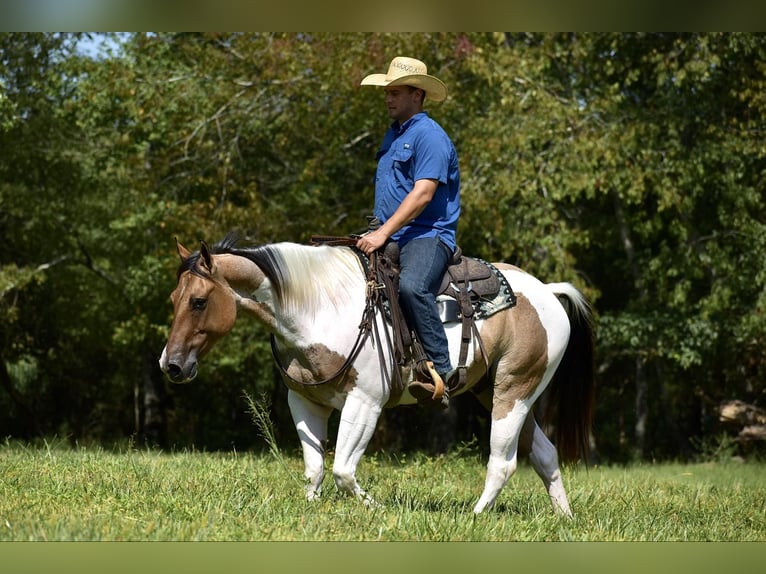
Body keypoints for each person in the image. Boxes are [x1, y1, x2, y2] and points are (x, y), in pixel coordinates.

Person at [356, 56, 460, 407]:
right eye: (386, 92)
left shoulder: (430, 136)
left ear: (417, 94)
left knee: (413, 287)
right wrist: (376, 229)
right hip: (388, 231)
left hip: (427, 235)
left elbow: (423, 193)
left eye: (396, 92)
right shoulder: (394, 134)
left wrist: (382, 234)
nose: (388, 98)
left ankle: (442, 375)